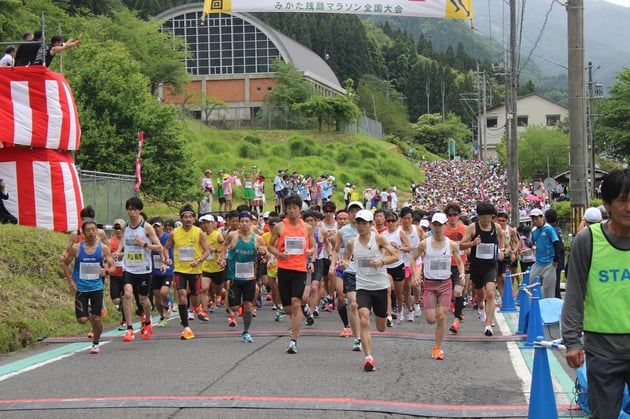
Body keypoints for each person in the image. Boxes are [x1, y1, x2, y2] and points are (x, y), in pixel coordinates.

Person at [561, 169, 630, 419]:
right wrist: (571, 341)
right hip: (602, 350)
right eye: (623, 200)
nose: (629, 207)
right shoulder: (588, 240)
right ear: (607, 204)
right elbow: (574, 294)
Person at [340, 209, 399, 371]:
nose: (360, 226)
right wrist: (344, 264)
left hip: (379, 286)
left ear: (370, 224)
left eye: (364, 223)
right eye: (358, 223)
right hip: (362, 286)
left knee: (380, 327)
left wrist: (381, 262)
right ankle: (368, 357)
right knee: (364, 320)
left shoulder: (378, 238)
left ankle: (382, 319)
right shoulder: (352, 242)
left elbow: (396, 256)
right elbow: (346, 258)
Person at [411, 213, 465, 360]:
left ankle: (437, 348)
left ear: (445, 225)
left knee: (441, 316)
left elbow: (459, 261)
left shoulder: (451, 244)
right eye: (435, 225)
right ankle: (434, 307)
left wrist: (462, 274)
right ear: (431, 225)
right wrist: (416, 274)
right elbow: (413, 258)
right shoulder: (425, 243)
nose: (437, 228)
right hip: (429, 284)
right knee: (430, 319)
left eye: (440, 225)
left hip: (445, 284)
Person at [268, 194, 316, 354]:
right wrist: (280, 255)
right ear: (286, 210)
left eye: (295, 208)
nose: (292, 211)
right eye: (289, 208)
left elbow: (313, 246)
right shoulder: (280, 227)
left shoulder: (307, 227)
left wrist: (310, 252)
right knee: (288, 308)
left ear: (300, 210)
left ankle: (293, 340)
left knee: (296, 303)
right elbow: (270, 246)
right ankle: (296, 319)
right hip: (284, 269)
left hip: (300, 270)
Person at [61, 218, 115, 354]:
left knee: (97, 318)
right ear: (83, 232)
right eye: (88, 230)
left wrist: (106, 271)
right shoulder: (76, 248)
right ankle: (92, 315)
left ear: (97, 231)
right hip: (81, 288)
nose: (91, 233)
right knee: (82, 320)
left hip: (96, 287)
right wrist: (71, 282)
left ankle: (96, 343)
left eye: (93, 230)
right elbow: (65, 264)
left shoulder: (103, 248)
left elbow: (113, 266)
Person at [116, 197, 163, 342]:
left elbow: (159, 247)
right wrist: (118, 251)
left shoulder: (146, 227)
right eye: (130, 209)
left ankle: (148, 322)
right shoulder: (126, 226)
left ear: (140, 210)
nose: (132, 212)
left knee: (144, 300)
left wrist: (143, 244)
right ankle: (130, 329)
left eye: (135, 209)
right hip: (129, 268)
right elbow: (124, 239)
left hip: (144, 269)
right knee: (127, 295)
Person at [163, 204, 211, 340]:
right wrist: (166, 258)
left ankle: (197, 307)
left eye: (191, 217)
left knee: (195, 300)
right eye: (185, 217)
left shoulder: (199, 232)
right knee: (182, 294)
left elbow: (207, 250)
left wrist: (199, 261)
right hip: (179, 270)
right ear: (181, 218)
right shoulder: (174, 233)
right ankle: (186, 327)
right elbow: (165, 248)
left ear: (194, 218)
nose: (188, 219)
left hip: (195, 269)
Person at [218, 211, 266, 342]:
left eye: (247, 221)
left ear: (251, 223)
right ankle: (237, 309)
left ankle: (246, 331)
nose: (244, 224)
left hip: (250, 277)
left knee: (248, 305)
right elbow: (224, 246)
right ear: (239, 223)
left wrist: (264, 253)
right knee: (234, 307)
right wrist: (222, 258)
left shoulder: (257, 238)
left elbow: (264, 252)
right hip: (235, 276)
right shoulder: (233, 235)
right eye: (242, 221)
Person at [460, 202, 506, 337]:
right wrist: (473, 243)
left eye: (488, 217)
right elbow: (462, 245)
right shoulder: (472, 228)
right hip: (476, 265)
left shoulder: (496, 227)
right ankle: (481, 306)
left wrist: (501, 249)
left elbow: (502, 235)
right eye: (482, 217)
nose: (486, 220)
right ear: (478, 216)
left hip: (491, 265)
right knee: (479, 294)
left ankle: (488, 325)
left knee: (491, 293)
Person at [528, 208, 562, 298]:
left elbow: (556, 243)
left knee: (549, 289)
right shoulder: (534, 230)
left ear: (542, 218)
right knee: (531, 285)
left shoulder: (549, 229)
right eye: (533, 219)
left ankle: (549, 309)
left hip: (549, 263)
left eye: (537, 218)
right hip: (538, 262)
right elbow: (533, 243)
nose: (535, 221)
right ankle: (534, 307)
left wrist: (555, 259)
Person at [149, 217, 174, 327]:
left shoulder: (168, 237)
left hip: (168, 269)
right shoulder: (149, 239)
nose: (157, 228)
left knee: (163, 292)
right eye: (154, 226)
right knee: (157, 295)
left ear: (163, 226)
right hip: (155, 270)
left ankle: (168, 304)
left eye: (158, 226)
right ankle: (162, 316)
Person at [109, 218, 127, 330]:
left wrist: (123, 254)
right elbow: (106, 254)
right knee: (116, 299)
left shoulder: (128, 240)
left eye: (120, 228)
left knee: (125, 297)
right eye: (116, 228)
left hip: (126, 273)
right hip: (115, 274)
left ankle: (124, 321)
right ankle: (121, 307)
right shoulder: (110, 241)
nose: (118, 230)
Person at [544, 208, 565, 299]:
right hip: (560, 258)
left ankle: (555, 301)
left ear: (546, 219)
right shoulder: (557, 228)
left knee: (553, 284)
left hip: (554, 260)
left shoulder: (550, 230)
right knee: (555, 282)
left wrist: (555, 259)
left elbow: (557, 246)